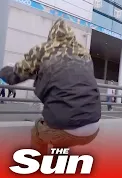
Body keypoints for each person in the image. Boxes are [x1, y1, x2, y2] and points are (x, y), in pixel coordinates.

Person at [0, 19, 101, 156]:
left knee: (38, 132)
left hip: (65, 125)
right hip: (93, 126)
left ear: (51, 35)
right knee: (63, 132)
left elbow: (16, 76)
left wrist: (4, 71)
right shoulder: (84, 54)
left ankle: (37, 166)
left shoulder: (44, 49)